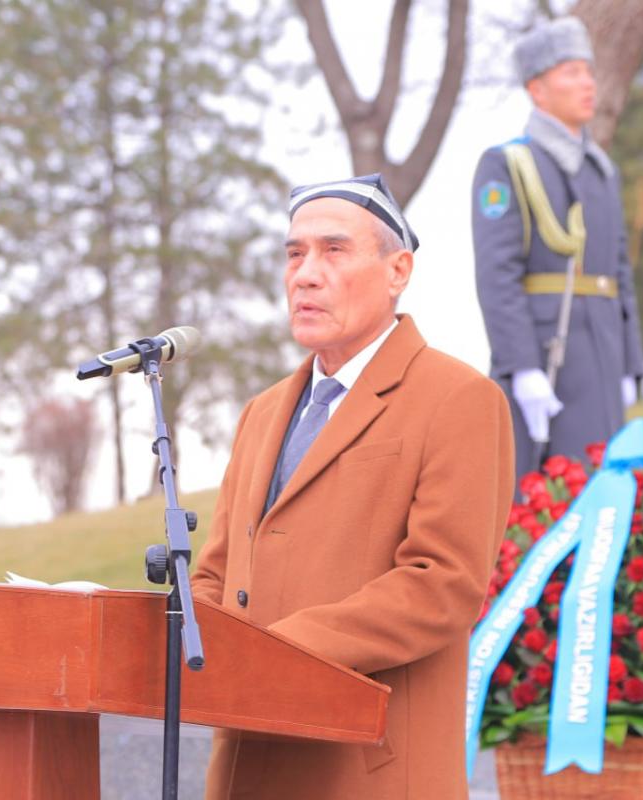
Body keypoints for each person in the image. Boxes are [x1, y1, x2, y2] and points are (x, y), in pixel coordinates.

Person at [191, 174, 514, 799]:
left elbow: (441, 582)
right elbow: (216, 573)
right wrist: (191, 642)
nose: (306, 275)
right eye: (294, 254)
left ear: (398, 271)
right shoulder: (261, 412)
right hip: (245, 767)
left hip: (368, 770)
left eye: (334, 250)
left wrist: (274, 653)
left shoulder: (458, 398)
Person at [471, 16, 643, 484]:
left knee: (605, 490)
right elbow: (498, 275)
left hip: (604, 355)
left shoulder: (601, 171)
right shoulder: (508, 164)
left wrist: (631, 363)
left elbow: (619, 274)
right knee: (541, 498)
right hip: (547, 358)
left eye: (588, 71)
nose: (588, 83)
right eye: (571, 72)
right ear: (537, 89)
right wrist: (522, 366)